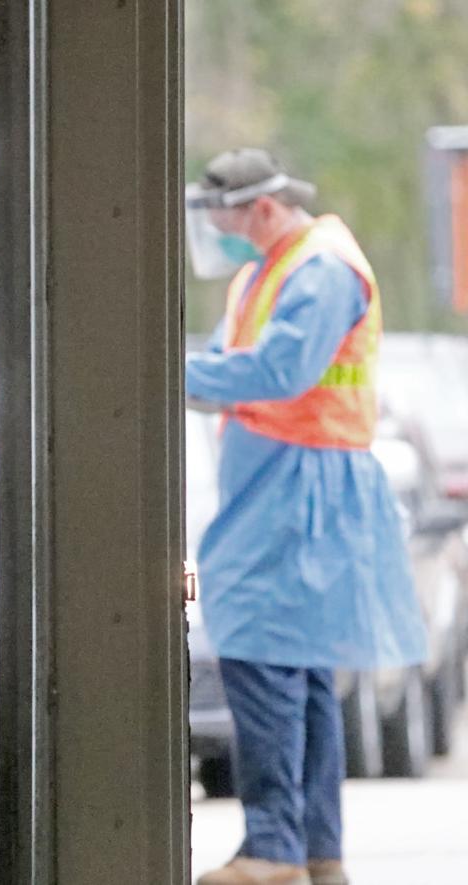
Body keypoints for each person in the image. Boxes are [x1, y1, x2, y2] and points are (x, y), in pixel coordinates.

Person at [184, 150, 427, 885]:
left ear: (259, 208)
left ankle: (274, 847)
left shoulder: (318, 268)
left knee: (262, 655)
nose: (217, 231)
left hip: (302, 483)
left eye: (222, 216)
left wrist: (160, 365)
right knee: (306, 670)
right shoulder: (270, 268)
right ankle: (315, 849)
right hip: (283, 479)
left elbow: (282, 372)